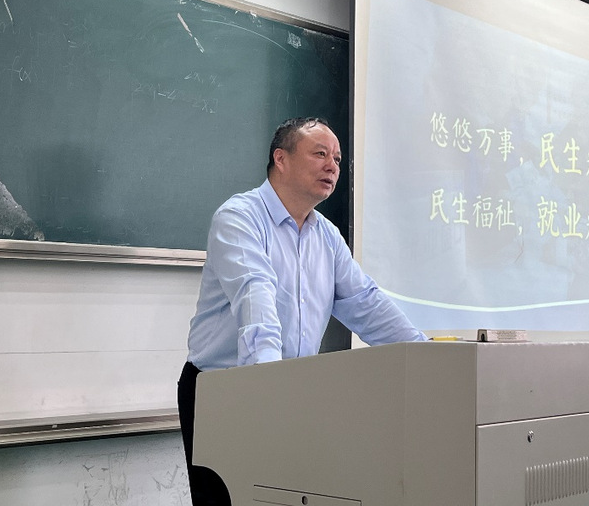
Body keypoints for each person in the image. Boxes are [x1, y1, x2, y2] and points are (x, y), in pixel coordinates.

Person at [178, 117, 427, 505]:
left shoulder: (326, 236)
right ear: (281, 159)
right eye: (320, 154)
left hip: (293, 392)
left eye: (338, 159)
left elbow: (366, 302)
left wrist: (426, 356)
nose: (332, 166)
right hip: (223, 391)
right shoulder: (239, 217)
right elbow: (254, 295)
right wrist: (271, 386)